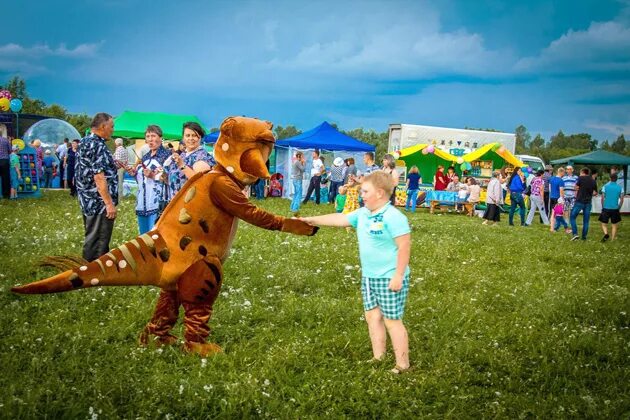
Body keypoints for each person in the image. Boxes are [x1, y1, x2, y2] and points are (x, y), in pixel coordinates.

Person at [299, 171, 411, 374]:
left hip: (389, 277)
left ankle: (402, 365)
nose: (362, 195)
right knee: (372, 317)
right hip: (369, 277)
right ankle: (378, 357)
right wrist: (311, 219)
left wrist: (399, 276)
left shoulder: (394, 217)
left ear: (379, 193)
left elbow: (404, 247)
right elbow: (339, 219)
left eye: (365, 191)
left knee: (392, 321)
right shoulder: (363, 214)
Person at [75, 112, 118, 262]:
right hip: (98, 203)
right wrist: (109, 203)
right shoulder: (97, 144)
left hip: (88, 199)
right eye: (111, 126)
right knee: (98, 239)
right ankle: (92, 272)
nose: (113, 130)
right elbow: (99, 177)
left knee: (93, 235)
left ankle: (96, 270)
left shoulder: (86, 141)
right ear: (103, 126)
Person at [127, 125, 170, 234]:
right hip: (142, 204)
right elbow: (142, 181)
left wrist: (152, 176)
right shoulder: (145, 157)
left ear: (160, 138)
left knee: (155, 238)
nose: (150, 139)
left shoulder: (167, 156)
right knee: (143, 239)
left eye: (153, 136)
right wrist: (134, 174)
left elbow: (169, 179)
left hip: (158, 205)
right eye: (148, 136)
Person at [167, 121, 215, 199]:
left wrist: (182, 165)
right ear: (183, 137)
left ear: (200, 137)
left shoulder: (203, 156)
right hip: (176, 205)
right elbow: (176, 181)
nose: (190, 138)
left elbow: (201, 184)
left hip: (191, 207)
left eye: (194, 135)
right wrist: (164, 177)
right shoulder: (182, 155)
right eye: (187, 135)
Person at [570, 167, 597, 241]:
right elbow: (595, 193)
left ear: (583, 172)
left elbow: (575, 187)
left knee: (572, 217)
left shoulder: (580, 178)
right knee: (586, 221)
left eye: (580, 173)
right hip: (588, 202)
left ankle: (575, 234)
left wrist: (578, 189)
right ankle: (584, 237)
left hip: (579, 201)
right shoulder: (593, 180)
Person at [599, 173, 623, 242]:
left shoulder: (605, 186)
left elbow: (602, 198)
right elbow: (622, 199)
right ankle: (612, 239)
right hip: (615, 208)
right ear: (616, 179)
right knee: (614, 225)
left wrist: (603, 206)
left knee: (603, 224)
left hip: (606, 207)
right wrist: (619, 207)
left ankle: (606, 234)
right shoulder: (620, 188)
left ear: (610, 178)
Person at [0, 134, 10, 198]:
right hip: (5, 160)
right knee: (5, 178)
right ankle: (6, 194)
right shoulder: (5, 140)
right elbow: (10, 149)